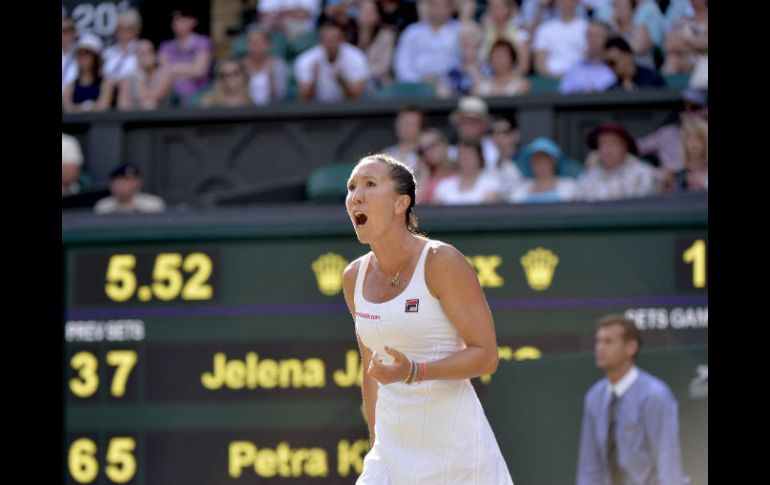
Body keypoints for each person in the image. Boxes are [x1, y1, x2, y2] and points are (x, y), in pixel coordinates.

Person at [341, 153, 513, 484]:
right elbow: (371, 370)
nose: (355, 196)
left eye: (370, 184)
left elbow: (486, 356)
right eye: (351, 187)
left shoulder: (441, 261)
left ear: (400, 203)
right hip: (391, 454)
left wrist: (415, 372)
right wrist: (379, 446)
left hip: (458, 455)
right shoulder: (353, 277)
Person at [577, 314, 689, 485]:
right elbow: (589, 466)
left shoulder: (656, 395)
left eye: (609, 341)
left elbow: (667, 462)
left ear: (631, 347)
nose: (600, 348)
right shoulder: (594, 397)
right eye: (598, 341)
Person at [577, 122, 659, 201]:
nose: (608, 149)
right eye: (603, 143)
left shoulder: (642, 174)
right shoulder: (588, 176)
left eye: (613, 143)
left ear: (625, 147)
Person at [295, 20, 370, 102]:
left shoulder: (356, 57)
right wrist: (314, 79)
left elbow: (357, 96)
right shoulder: (306, 59)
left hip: (347, 109)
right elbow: (303, 98)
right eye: (327, 39)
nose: (331, 43)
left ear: (342, 39)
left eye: (335, 39)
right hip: (316, 110)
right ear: (320, 40)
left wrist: (341, 80)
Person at [158, 8, 213, 106]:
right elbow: (165, 71)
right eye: (174, 20)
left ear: (193, 21)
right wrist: (189, 68)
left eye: (181, 19)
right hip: (171, 93)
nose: (177, 23)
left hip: (198, 93)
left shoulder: (202, 42)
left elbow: (200, 71)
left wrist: (175, 69)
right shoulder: (165, 46)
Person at [510, 137, 578, 203]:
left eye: (543, 159)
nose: (539, 162)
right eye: (535, 159)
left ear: (554, 161)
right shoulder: (519, 188)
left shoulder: (570, 186)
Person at [559, 20, 617, 94]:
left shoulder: (614, 66)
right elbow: (563, 94)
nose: (592, 40)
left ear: (606, 39)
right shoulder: (575, 68)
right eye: (589, 36)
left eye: (596, 36)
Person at [62, 33, 115, 113]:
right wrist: (90, 106)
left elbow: (103, 106)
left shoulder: (106, 84)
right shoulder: (70, 86)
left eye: (87, 53)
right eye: (80, 54)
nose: (82, 58)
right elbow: (68, 109)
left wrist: (79, 108)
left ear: (96, 58)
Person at [117, 39, 174, 111]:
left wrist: (141, 79)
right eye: (141, 54)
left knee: (150, 105)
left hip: (160, 117)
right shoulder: (128, 78)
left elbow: (150, 98)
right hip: (133, 118)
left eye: (147, 53)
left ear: (155, 55)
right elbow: (122, 105)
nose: (145, 57)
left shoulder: (165, 75)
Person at [94, 163, 166, 214]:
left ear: (138, 183)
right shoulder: (103, 207)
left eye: (126, 181)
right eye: (118, 181)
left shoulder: (153, 205)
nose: (121, 186)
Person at [382, 104, 428, 171]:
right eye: (403, 123)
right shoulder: (386, 154)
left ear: (421, 127)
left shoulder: (429, 153)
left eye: (411, 124)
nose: (406, 128)